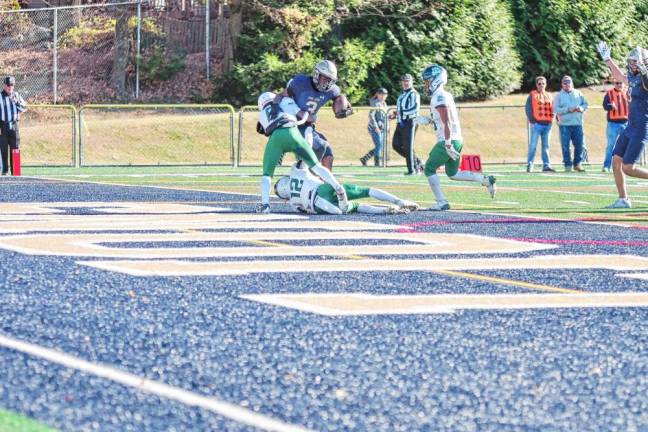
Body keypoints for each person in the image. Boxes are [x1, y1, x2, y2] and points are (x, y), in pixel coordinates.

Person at [415, 64, 497, 211]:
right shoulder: (445, 95)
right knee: (453, 173)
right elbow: (444, 118)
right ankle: (485, 179)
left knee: (429, 168)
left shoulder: (438, 96)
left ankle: (442, 202)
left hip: (448, 140)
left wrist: (447, 144)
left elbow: (447, 121)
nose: (425, 84)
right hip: (456, 138)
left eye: (427, 81)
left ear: (436, 80)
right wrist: (429, 120)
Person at [255, 91, 348, 214]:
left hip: (276, 139)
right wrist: (311, 118)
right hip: (293, 132)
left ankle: (265, 205)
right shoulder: (284, 101)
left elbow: (263, 130)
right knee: (317, 166)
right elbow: (304, 115)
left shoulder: (262, 115)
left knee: (267, 174)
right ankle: (338, 188)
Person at [597, 42, 648, 208]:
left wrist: (644, 71)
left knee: (628, 167)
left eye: (635, 61)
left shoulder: (645, 77)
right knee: (616, 161)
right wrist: (608, 59)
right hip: (630, 126)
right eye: (631, 61)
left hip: (641, 127)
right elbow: (620, 77)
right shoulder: (634, 76)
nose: (632, 64)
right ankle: (623, 199)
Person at [278, 60, 353, 170]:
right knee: (320, 146)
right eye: (325, 78)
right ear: (317, 74)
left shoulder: (332, 90)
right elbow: (282, 97)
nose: (327, 82)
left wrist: (345, 108)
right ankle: (302, 173)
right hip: (292, 124)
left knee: (328, 157)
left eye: (330, 80)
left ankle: (325, 185)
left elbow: (341, 99)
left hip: (307, 126)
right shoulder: (300, 82)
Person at [275, 160, 419, 215]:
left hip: (319, 206)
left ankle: (384, 211)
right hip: (322, 189)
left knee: (355, 206)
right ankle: (398, 201)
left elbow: (303, 211)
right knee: (367, 191)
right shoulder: (295, 173)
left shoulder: (293, 203)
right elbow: (305, 157)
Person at [554, 75, 588, 172]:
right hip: (564, 125)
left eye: (569, 82)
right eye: (565, 83)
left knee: (579, 145)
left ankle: (577, 164)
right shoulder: (559, 96)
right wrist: (568, 110)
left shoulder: (579, 93)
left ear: (572, 83)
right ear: (562, 84)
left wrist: (580, 108)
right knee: (565, 146)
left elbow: (585, 104)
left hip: (577, 124)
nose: (567, 84)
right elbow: (556, 110)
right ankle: (568, 165)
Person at [390, 74, 423, 175]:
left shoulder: (414, 94)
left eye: (407, 81)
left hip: (411, 121)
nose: (405, 83)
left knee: (408, 146)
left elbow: (415, 108)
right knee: (395, 145)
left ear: (411, 82)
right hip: (401, 122)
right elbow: (401, 109)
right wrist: (395, 114)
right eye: (404, 81)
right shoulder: (402, 95)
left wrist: (402, 113)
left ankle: (412, 170)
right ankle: (417, 161)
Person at [525, 76, 555, 172]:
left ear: (546, 84)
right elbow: (528, 109)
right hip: (537, 124)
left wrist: (553, 119)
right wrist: (533, 121)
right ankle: (530, 165)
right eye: (539, 83)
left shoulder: (550, 95)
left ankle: (546, 165)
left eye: (543, 83)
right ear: (536, 85)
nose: (541, 85)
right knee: (533, 146)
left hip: (548, 124)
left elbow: (554, 108)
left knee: (546, 146)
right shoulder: (532, 95)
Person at [0, 76, 27, 176]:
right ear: (4, 85)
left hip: (14, 125)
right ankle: (4, 171)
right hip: (3, 125)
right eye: (8, 85)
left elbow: (24, 108)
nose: (10, 87)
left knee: (15, 148)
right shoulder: (0, 96)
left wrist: (16, 102)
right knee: (3, 149)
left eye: (11, 85)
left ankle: (15, 172)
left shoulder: (17, 95)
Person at [602, 80, 629, 172]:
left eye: (620, 82)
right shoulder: (609, 93)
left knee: (626, 146)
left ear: (623, 83)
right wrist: (610, 106)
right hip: (613, 124)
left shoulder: (628, 93)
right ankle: (606, 166)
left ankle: (624, 166)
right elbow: (605, 106)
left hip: (626, 123)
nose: (619, 84)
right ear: (614, 84)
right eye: (617, 83)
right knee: (611, 145)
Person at [360, 87, 388, 167]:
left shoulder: (384, 104)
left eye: (384, 94)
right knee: (379, 146)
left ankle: (364, 159)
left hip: (382, 128)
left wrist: (392, 116)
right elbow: (371, 115)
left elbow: (384, 117)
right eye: (381, 94)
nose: (383, 96)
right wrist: (376, 127)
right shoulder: (375, 103)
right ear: (378, 95)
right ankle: (377, 162)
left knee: (380, 146)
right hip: (374, 128)